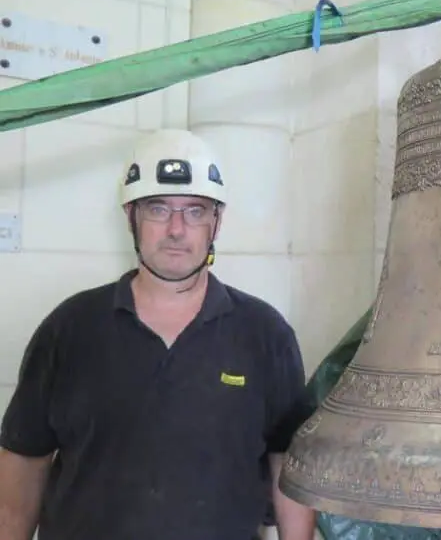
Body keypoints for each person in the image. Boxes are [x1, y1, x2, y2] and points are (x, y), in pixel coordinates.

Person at [0, 129, 317, 540]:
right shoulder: (70, 328)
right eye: (158, 209)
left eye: (195, 211)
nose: (176, 229)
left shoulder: (264, 334)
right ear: (130, 215)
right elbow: (25, 460)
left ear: (216, 223)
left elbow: (288, 465)